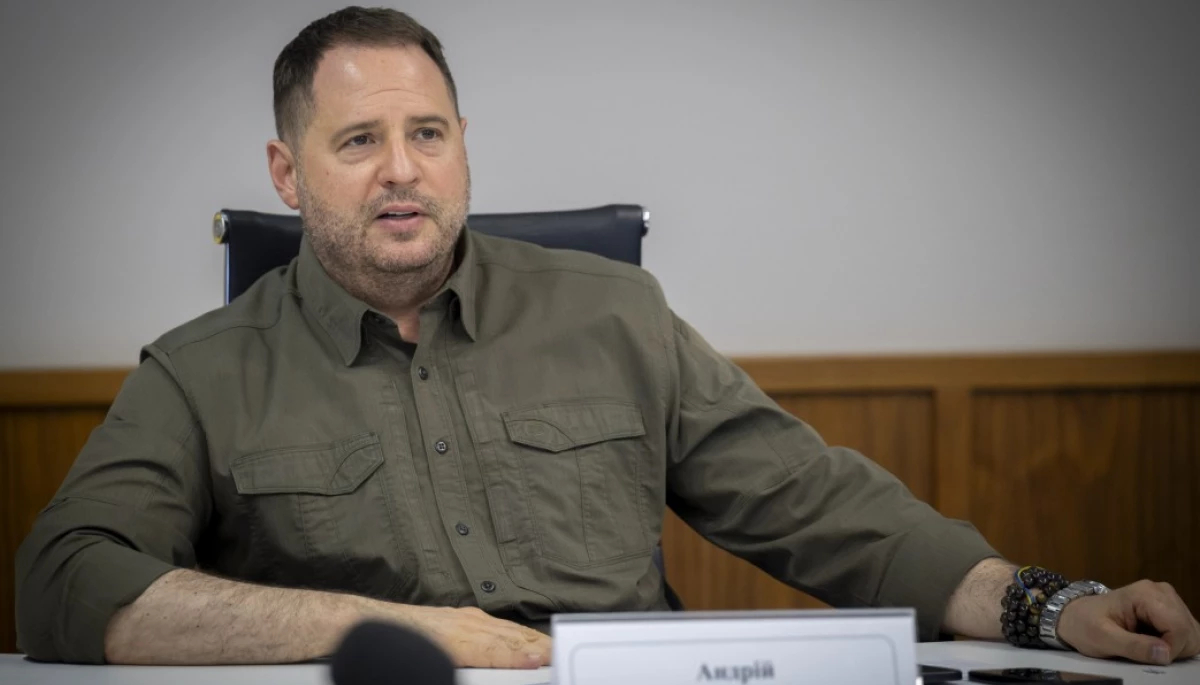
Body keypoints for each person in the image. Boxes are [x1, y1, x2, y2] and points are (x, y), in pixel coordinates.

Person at [15, 5, 1199, 669]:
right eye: (358, 141)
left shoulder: (613, 313)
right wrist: (382, 634)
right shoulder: (201, 370)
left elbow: (822, 507)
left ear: (465, 145)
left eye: (428, 133)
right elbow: (65, 581)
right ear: (287, 171)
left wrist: (1049, 604)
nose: (402, 170)